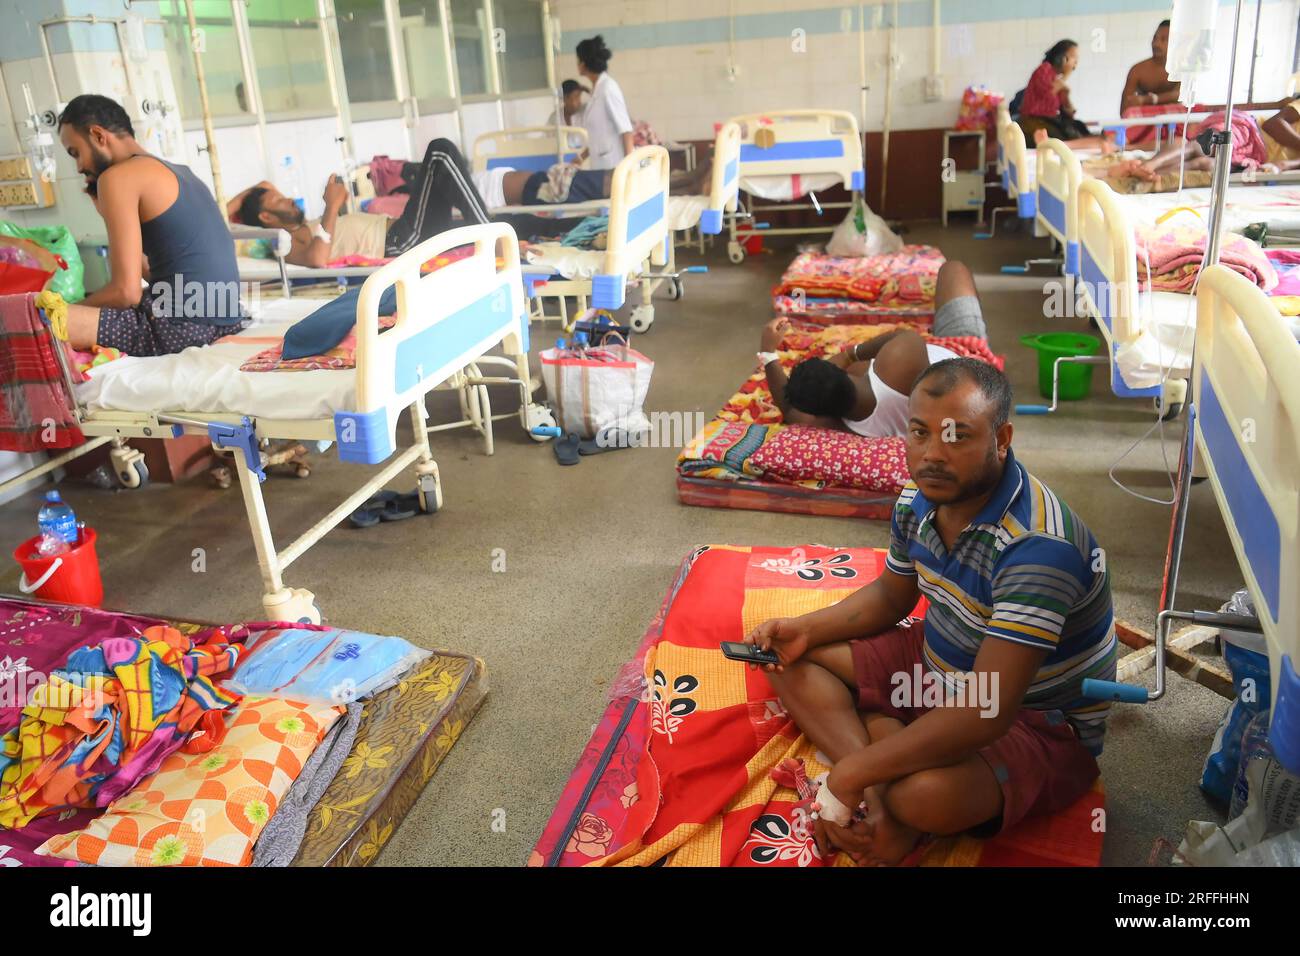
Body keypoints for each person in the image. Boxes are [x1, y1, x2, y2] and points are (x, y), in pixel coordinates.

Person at [744, 359, 1116, 865]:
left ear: (1001, 438)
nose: (932, 455)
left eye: (957, 436)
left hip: (1032, 718)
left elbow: (988, 707)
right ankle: (881, 791)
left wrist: (848, 776)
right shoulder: (917, 498)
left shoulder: (1038, 547)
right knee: (783, 657)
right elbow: (891, 597)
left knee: (921, 797)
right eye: (919, 433)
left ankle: (884, 759)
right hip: (939, 655)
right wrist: (804, 628)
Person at [57, 94, 244, 356]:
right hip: (225, 322)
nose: (79, 167)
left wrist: (72, 306)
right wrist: (107, 213)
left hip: (179, 329)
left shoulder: (117, 178)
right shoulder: (182, 172)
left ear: (98, 135)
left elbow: (126, 293)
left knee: (45, 318)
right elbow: (158, 272)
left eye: (76, 153)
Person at [762, 261, 988, 438]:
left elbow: (789, 410)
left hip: (944, 383)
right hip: (959, 352)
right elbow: (903, 334)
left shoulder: (841, 427)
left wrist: (768, 352)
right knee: (953, 269)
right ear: (841, 371)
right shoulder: (897, 361)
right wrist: (852, 353)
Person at [1016, 40, 1113, 152]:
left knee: (1079, 127)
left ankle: (1101, 144)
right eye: (1073, 58)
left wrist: (1066, 94)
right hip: (1033, 121)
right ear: (1061, 58)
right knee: (1064, 137)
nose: (1075, 63)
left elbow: (1069, 113)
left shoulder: (1057, 79)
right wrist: (1066, 75)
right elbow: (1049, 93)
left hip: (1050, 120)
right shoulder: (1044, 69)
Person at [576, 35, 634, 169]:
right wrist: (580, 158)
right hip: (602, 165)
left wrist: (628, 168)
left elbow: (626, 130)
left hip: (615, 165)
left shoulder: (608, 88)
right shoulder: (597, 90)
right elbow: (598, 137)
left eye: (578, 60)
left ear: (583, 64)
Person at [546, 79, 589, 150]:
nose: (576, 102)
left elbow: (601, 104)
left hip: (586, 155)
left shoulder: (587, 111)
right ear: (563, 98)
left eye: (578, 96)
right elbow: (548, 140)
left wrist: (588, 90)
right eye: (573, 97)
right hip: (563, 156)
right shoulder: (555, 117)